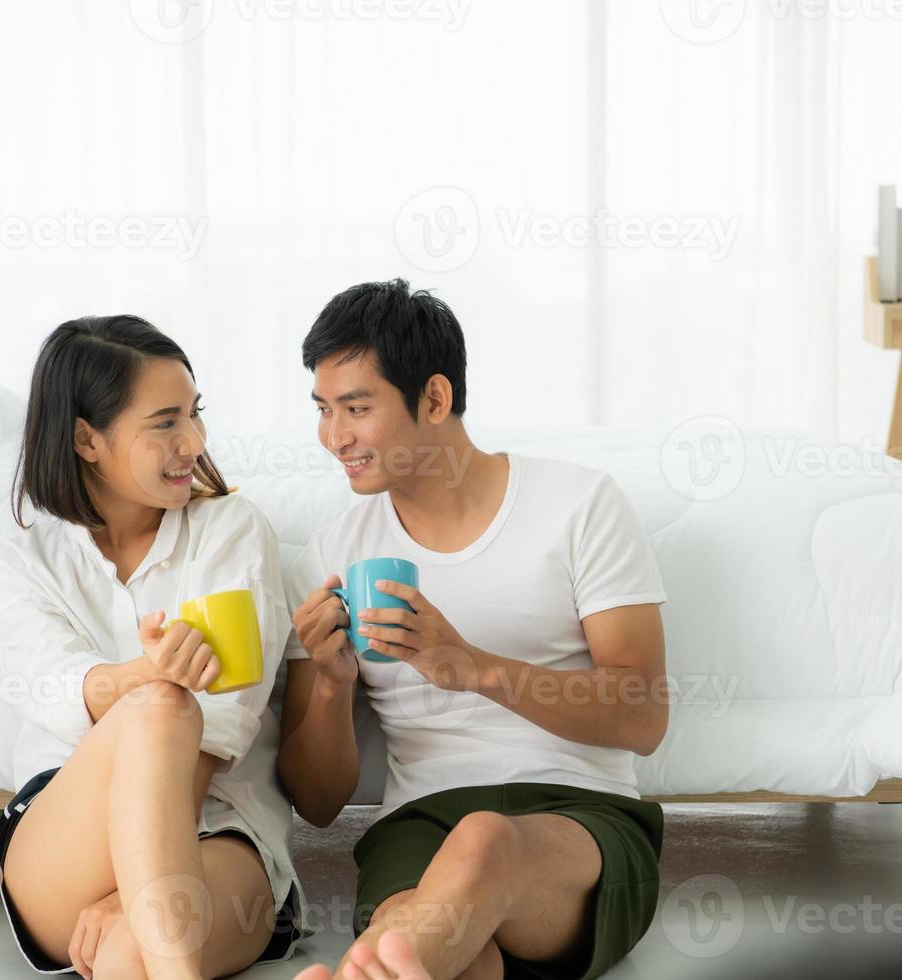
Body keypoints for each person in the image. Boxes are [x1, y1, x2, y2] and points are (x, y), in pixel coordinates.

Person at [279, 280, 670, 979]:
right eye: (324, 409)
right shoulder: (335, 552)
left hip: (579, 816)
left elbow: (642, 714)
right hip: (420, 822)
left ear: (433, 399)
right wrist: (333, 689)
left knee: (484, 844)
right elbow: (315, 800)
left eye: (357, 408)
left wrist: (474, 669)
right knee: (460, 961)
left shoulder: (579, 505)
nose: (335, 436)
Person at [0, 315, 306, 979]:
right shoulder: (20, 563)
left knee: (135, 949)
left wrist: (142, 895)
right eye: (164, 423)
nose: (194, 441)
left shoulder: (230, 530)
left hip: (221, 831)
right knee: (162, 708)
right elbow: (53, 688)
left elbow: (225, 724)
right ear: (85, 439)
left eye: (196, 413)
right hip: (66, 838)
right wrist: (148, 678)